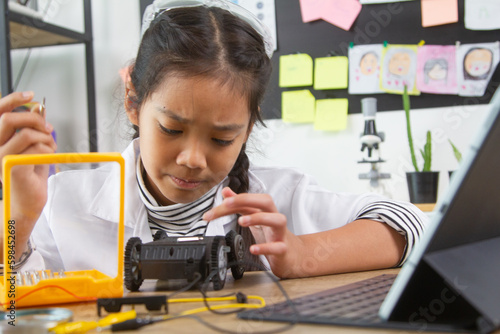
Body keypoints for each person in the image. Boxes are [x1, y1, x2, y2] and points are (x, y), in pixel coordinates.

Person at [0, 0, 427, 280]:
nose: (192, 158)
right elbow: (13, 314)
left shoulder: (272, 198)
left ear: (248, 128)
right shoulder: (61, 203)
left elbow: (412, 224)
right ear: (133, 103)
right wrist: (17, 223)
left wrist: (301, 254)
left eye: (222, 138)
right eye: (171, 129)